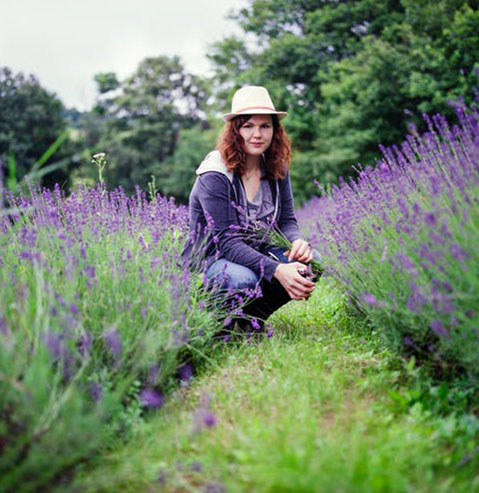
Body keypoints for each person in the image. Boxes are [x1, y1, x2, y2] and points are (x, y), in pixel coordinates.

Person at [182, 86, 316, 325]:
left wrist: (297, 241)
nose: (258, 134)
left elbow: (287, 221)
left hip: (256, 251)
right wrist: (277, 270)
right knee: (243, 279)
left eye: (265, 126)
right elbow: (226, 241)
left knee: (310, 264)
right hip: (214, 259)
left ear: (275, 131)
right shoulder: (216, 173)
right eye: (248, 126)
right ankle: (216, 321)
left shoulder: (276, 167)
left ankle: (251, 321)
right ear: (235, 131)